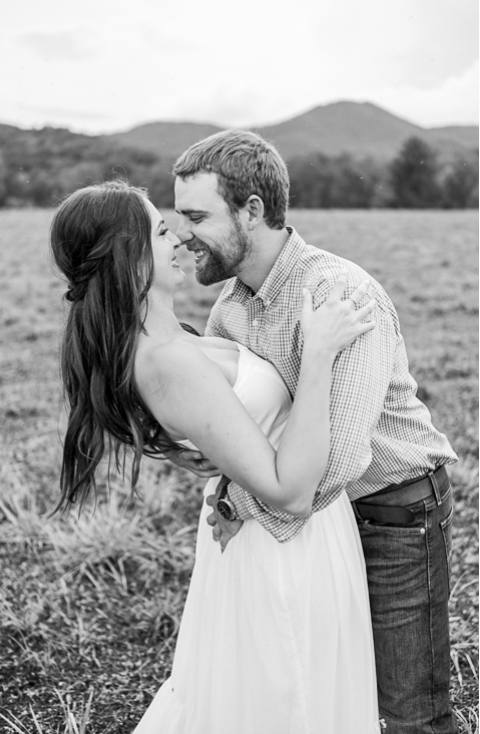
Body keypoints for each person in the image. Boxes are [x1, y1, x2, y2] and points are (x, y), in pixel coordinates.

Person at [52, 179, 381, 731]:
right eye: (161, 230)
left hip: (286, 537)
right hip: (281, 548)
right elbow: (291, 492)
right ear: (129, 255)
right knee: (291, 704)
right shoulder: (164, 363)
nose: (179, 239)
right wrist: (319, 352)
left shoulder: (176, 342)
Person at [169, 130, 458, 733]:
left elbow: (346, 456)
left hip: (392, 512)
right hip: (314, 525)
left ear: (253, 211)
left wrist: (243, 503)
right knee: (330, 690)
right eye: (178, 217)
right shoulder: (227, 310)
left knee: (408, 715)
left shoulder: (341, 293)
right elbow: (251, 422)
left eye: (197, 216)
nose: (182, 233)